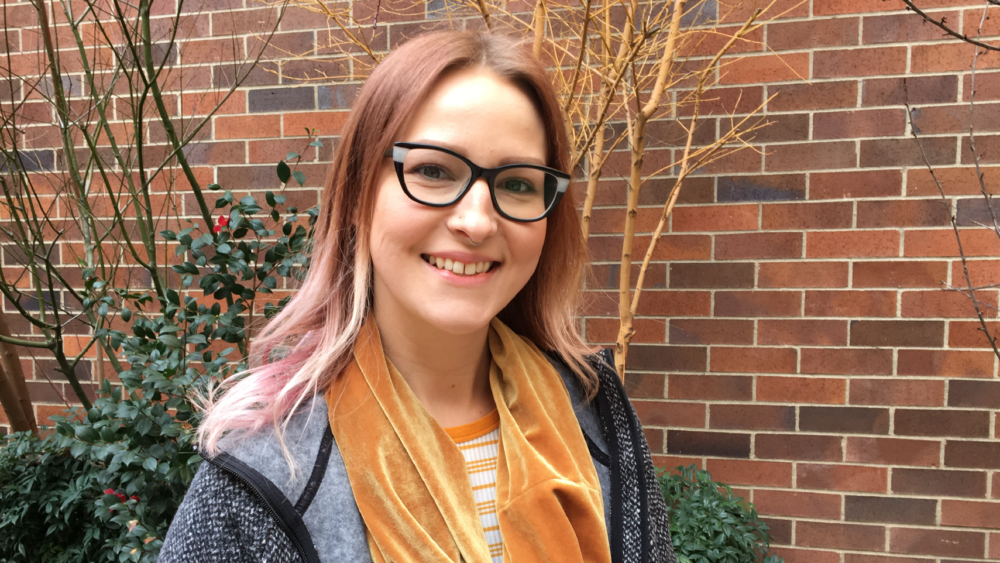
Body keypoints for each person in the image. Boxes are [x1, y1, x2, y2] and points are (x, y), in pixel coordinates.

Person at [160, 30, 675, 563]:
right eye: (432, 170)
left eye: (518, 183)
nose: (477, 221)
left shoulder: (595, 410)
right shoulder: (266, 466)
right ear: (359, 194)